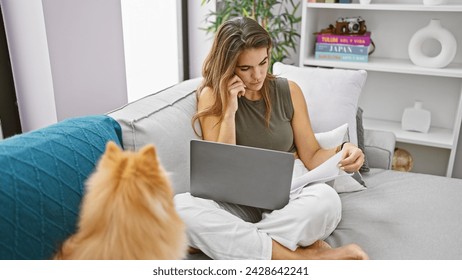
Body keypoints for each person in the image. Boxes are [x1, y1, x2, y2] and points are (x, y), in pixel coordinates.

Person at [174, 17, 368, 260]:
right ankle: (303, 257)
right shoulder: (213, 95)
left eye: (263, 63)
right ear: (228, 66)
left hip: (290, 197)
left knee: (327, 201)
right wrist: (230, 110)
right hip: (236, 203)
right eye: (245, 68)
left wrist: (344, 149)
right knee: (179, 208)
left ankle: (224, 243)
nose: (257, 75)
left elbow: (312, 155)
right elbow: (221, 167)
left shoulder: (289, 91)